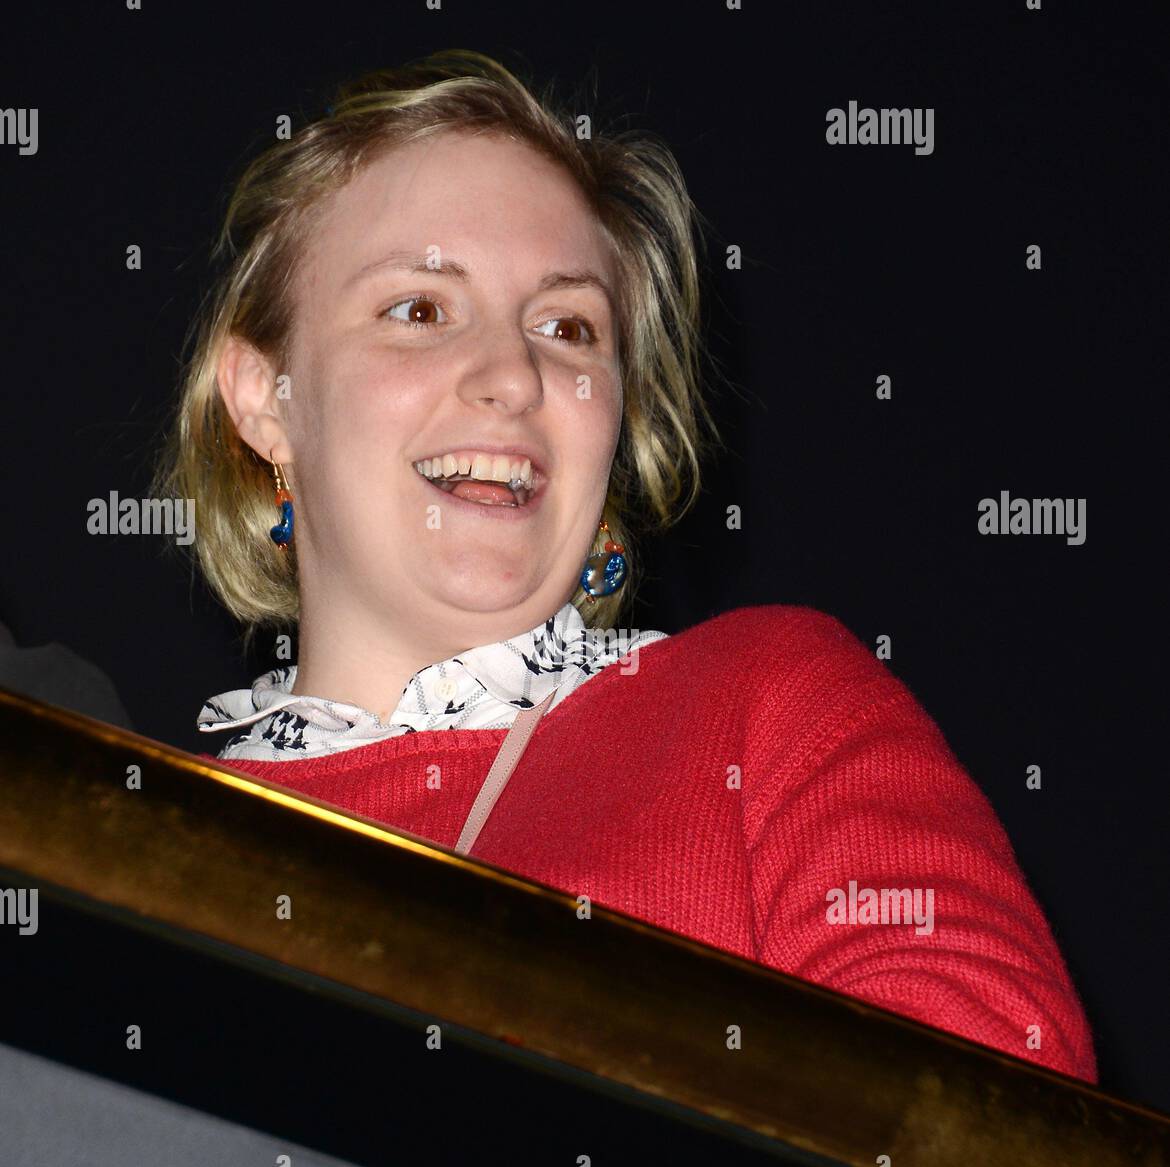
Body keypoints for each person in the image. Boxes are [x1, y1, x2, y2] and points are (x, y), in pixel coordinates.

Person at [156, 50, 1096, 1085]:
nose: (513, 375)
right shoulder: (129, 840)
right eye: (420, 309)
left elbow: (977, 1143)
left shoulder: (767, 705)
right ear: (262, 397)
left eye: (567, 328)